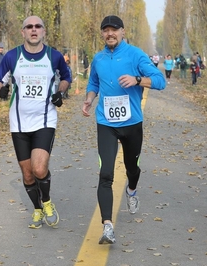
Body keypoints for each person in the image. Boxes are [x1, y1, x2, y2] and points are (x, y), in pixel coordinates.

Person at [81, 15, 166, 245]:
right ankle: (107, 226)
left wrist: (137, 79)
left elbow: (160, 81)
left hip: (132, 124)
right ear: (102, 34)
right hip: (106, 123)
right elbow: (93, 84)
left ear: (123, 32)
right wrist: (90, 99)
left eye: (114, 30)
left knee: (132, 168)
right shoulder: (98, 58)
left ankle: (132, 189)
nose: (110, 34)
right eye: (106, 30)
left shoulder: (135, 54)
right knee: (105, 173)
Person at [0, 15, 71, 229]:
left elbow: (66, 77)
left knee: (38, 168)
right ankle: (37, 209)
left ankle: (46, 202)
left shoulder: (54, 56)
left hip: (45, 120)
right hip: (18, 123)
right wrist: (2, 90)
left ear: (44, 31)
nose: (34, 30)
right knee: (27, 174)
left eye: (38, 26)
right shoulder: (12, 56)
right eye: (29, 26)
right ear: (23, 32)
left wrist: (60, 93)